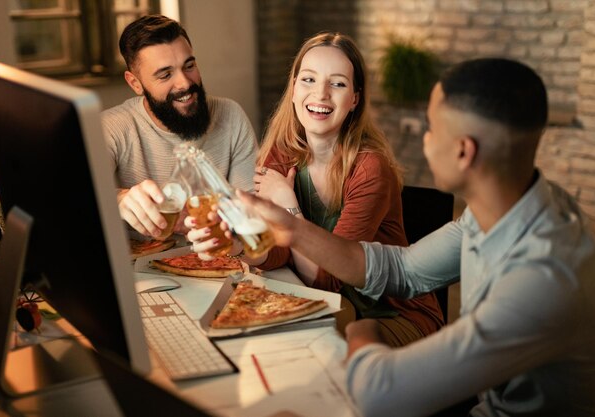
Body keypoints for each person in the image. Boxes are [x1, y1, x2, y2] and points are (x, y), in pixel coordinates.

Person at [231, 58, 595, 416]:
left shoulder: (543, 281)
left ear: (462, 151)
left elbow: (381, 394)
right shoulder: (515, 205)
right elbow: (402, 269)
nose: (424, 140)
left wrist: (362, 329)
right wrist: (291, 228)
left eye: (432, 128)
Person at [187, 31, 443, 345]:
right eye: (308, 80)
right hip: (332, 306)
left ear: (354, 99)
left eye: (337, 83)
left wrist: (287, 203)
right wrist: (236, 246)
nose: (320, 94)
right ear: (293, 89)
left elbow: (328, 279)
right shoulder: (281, 152)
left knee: (284, 342)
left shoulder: (370, 167)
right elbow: (275, 251)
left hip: (392, 315)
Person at [102, 15, 257, 239]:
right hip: (140, 270)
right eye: (165, 75)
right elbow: (70, 195)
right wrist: (117, 199)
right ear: (135, 83)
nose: (184, 83)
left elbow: (251, 217)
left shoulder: (231, 115)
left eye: (189, 66)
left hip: (223, 260)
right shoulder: (111, 127)